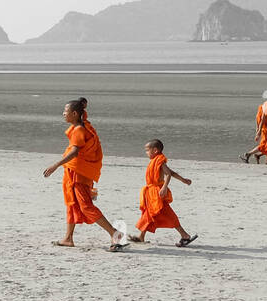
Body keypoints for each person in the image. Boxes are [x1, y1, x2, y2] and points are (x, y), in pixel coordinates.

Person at [43, 99, 128, 251]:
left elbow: (75, 152)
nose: (63, 114)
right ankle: (68, 238)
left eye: (65, 111)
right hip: (77, 172)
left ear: (74, 114)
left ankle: (115, 234)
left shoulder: (79, 130)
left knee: (86, 206)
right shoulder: (84, 126)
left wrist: (56, 165)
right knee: (72, 204)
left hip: (78, 174)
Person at [129, 139, 196, 246]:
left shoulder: (159, 160)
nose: (146, 153)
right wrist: (183, 179)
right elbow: (170, 172)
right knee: (149, 214)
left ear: (155, 150)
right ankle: (141, 236)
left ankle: (185, 235)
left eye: (147, 150)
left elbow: (168, 174)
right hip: (151, 192)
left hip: (157, 192)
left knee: (167, 213)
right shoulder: (155, 160)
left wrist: (164, 187)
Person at [241, 95, 267, 165]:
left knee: (266, 144)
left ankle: (249, 154)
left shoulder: (264, 104)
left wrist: (258, 128)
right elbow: (262, 118)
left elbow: (257, 116)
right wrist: (259, 131)